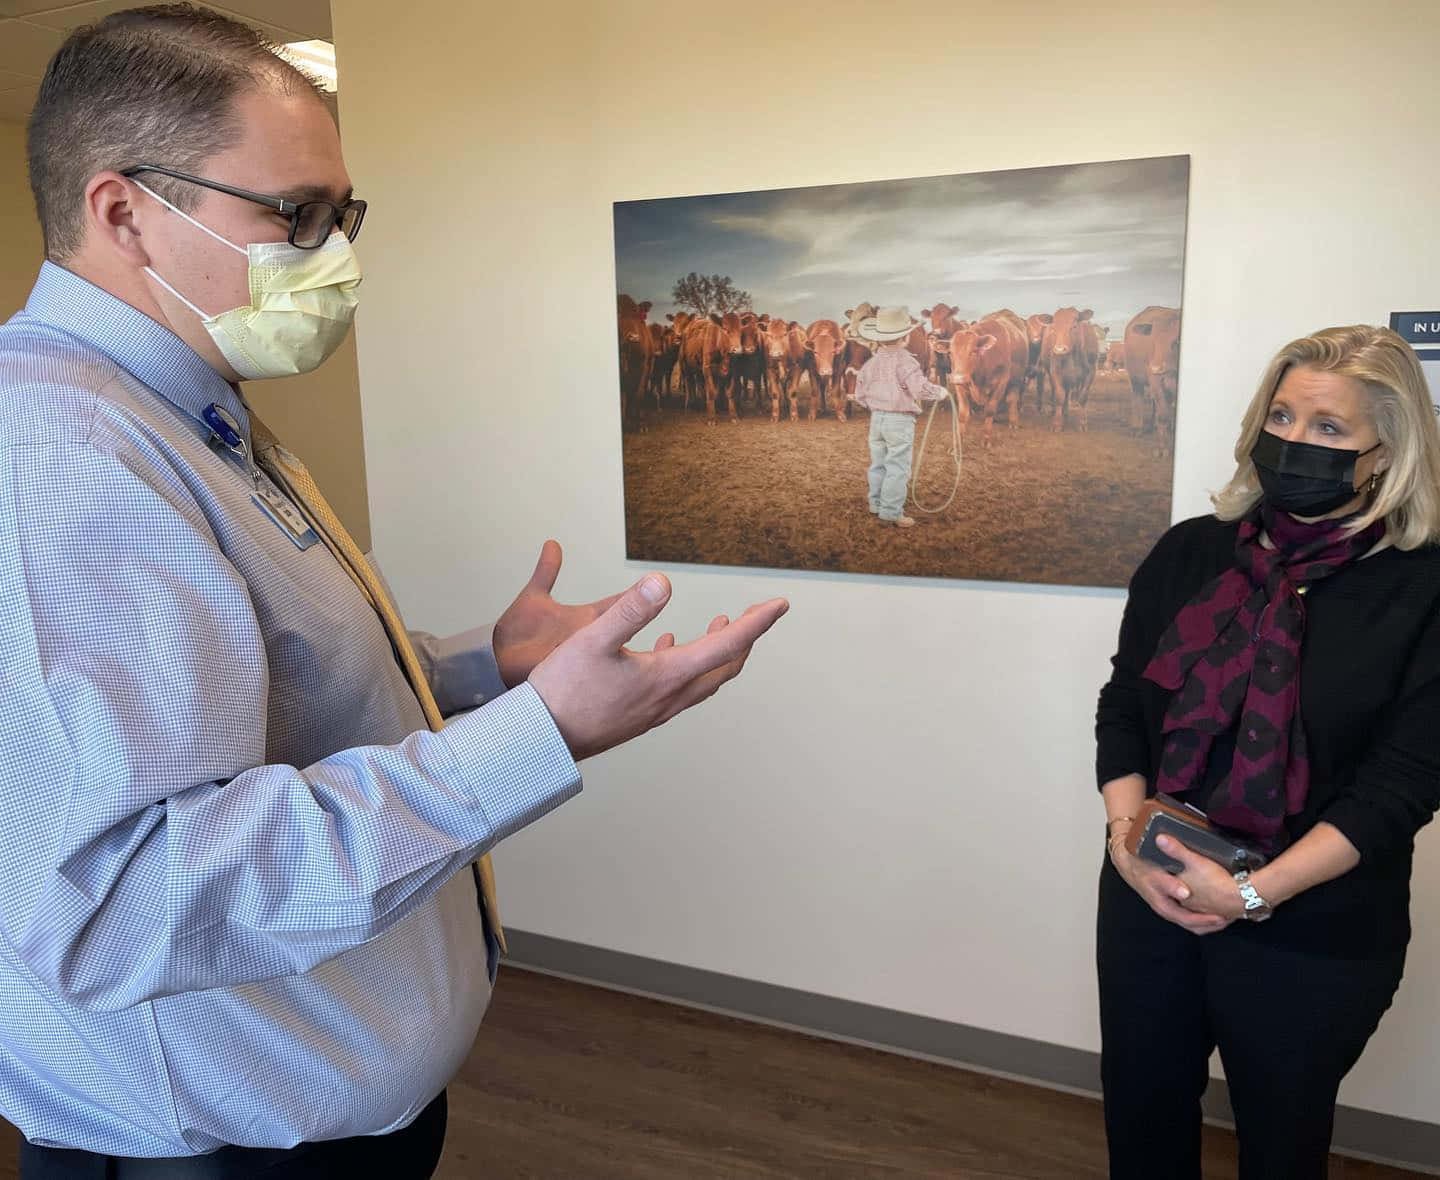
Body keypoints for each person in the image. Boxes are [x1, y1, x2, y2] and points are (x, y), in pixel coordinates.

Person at [0, 6, 787, 1177]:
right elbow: (131, 897)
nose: (335, 256)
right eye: (297, 216)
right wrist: (542, 731)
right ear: (124, 212)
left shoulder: (189, 410)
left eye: (341, 215)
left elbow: (260, 692)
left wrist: (481, 667)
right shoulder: (62, 453)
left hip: (336, 1117)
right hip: (220, 1151)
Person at [1094, 324, 1440, 1178]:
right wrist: (1124, 841)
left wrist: (1251, 893)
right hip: (1152, 883)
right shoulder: (1192, 552)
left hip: (1313, 924)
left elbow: (1402, 783)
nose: (1293, 442)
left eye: (1328, 428)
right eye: (1280, 416)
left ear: (1387, 450)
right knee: (1143, 1118)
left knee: (1282, 1144)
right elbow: (1127, 703)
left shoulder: (1422, 585)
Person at [849, 305, 948, 528]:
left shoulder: (870, 363)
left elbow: (860, 394)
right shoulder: (907, 361)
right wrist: (940, 392)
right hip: (899, 420)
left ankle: (875, 503)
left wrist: (876, 405)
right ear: (905, 337)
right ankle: (891, 512)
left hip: (877, 420)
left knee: (878, 463)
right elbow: (919, 390)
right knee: (898, 466)